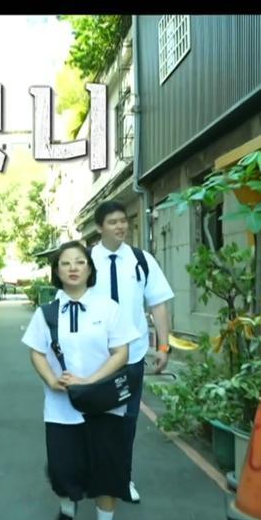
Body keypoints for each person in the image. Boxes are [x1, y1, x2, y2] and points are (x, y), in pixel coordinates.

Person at [21, 240, 138, 520]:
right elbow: (36, 352)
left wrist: (89, 381)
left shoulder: (108, 308)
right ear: (57, 271)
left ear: (89, 269)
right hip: (61, 408)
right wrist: (51, 380)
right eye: (65, 263)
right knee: (62, 469)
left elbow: (121, 353)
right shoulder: (46, 313)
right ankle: (67, 508)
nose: (73, 268)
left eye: (80, 262)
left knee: (106, 470)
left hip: (105, 404)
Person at [88, 201, 175, 504]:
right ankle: (95, 475)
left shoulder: (141, 260)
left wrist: (163, 346)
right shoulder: (84, 261)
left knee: (127, 421)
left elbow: (158, 304)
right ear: (99, 227)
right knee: (92, 419)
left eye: (123, 221)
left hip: (132, 357)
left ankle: (122, 479)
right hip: (94, 358)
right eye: (112, 222)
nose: (120, 226)